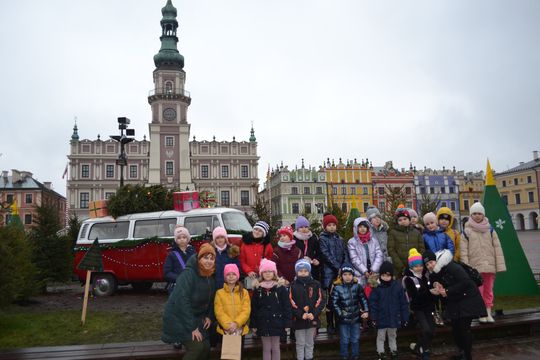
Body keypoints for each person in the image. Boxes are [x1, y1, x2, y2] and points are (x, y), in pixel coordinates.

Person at [423, 249, 487, 360]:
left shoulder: (452, 266)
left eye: (431, 262)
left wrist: (447, 291)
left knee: (463, 329)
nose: (429, 266)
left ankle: (467, 356)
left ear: (436, 261)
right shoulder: (436, 272)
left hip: (469, 299)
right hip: (457, 301)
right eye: (427, 264)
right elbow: (439, 284)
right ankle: (462, 352)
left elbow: (466, 282)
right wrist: (437, 288)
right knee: (456, 329)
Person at [162, 243, 216, 360]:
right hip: (179, 319)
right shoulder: (188, 274)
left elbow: (211, 301)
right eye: (205, 258)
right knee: (197, 347)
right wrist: (193, 328)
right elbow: (181, 302)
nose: (209, 261)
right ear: (199, 258)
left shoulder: (210, 278)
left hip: (195, 318)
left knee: (206, 347)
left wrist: (209, 316)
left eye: (212, 258)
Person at [461, 202, 506, 323]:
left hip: (489, 266)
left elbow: (497, 248)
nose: (477, 216)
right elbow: (463, 251)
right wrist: (466, 267)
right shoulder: (467, 231)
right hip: (475, 267)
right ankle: (481, 313)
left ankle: (488, 312)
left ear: (483, 214)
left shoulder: (490, 230)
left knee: (489, 290)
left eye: (479, 213)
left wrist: (500, 265)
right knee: (479, 291)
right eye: (474, 213)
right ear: (471, 215)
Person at [251, 259, 291, 360]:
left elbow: (286, 307)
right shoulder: (258, 289)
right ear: (261, 273)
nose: (268, 274)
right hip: (263, 322)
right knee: (266, 348)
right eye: (265, 271)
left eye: (270, 271)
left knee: (276, 347)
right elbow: (254, 309)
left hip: (277, 322)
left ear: (274, 273)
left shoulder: (280, 288)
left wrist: (287, 323)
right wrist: (254, 324)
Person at [369, 261, 410, 360]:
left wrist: (405, 317)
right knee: (381, 336)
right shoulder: (376, 288)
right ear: (380, 275)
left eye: (388, 276)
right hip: (381, 317)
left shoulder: (397, 286)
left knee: (392, 335)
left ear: (391, 276)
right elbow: (373, 304)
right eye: (383, 275)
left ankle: (393, 350)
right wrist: (373, 318)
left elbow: (403, 303)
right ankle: (381, 352)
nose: (385, 278)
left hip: (394, 317)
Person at [289, 259, 326, 360]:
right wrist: (301, 314)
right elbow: (291, 302)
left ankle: (309, 358)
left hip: (312, 319)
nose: (303, 273)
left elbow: (321, 300)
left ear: (309, 271)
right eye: (300, 271)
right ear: (297, 272)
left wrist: (313, 313)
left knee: (310, 343)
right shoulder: (293, 286)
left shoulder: (316, 284)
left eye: (305, 271)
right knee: (300, 343)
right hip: (299, 321)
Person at [403, 249, 436, 360]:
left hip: (428, 307)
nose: (419, 268)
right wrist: (429, 292)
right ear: (411, 267)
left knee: (432, 331)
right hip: (418, 308)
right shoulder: (409, 279)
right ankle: (423, 349)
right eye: (416, 266)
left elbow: (431, 291)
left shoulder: (426, 276)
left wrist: (434, 293)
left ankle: (418, 346)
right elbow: (414, 296)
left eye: (421, 265)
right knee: (426, 330)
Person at [331, 264, 369, 360]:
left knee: (355, 338)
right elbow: (334, 304)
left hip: (355, 319)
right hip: (343, 320)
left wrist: (366, 310)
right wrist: (340, 314)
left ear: (353, 275)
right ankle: (344, 355)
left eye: (349, 274)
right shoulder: (337, 288)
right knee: (344, 339)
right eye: (345, 274)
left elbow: (363, 299)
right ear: (341, 276)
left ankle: (355, 355)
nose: (347, 277)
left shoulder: (357, 287)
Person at [319, 213, 349, 335]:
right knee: (330, 301)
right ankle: (330, 324)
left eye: (333, 225)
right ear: (325, 226)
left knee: (339, 300)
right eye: (329, 225)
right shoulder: (322, 239)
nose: (331, 227)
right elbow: (325, 254)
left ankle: (339, 323)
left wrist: (344, 266)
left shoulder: (340, 239)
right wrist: (337, 267)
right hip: (329, 273)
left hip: (340, 273)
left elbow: (344, 253)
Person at [214, 263, 250, 357]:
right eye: (228, 274)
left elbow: (246, 310)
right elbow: (219, 311)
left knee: (238, 355)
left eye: (233, 274)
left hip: (239, 330)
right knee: (228, 355)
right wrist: (228, 325)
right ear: (225, 277)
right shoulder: (219, 293)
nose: (231, 277)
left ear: (237, 276)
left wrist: (237, 323)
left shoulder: (244, 292)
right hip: (225, 330)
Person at [387, 208, 425, 278]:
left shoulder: (416, 232)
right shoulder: (393, 233)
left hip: (415, 267)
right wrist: (401, 267)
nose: (403, 221)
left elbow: (422, 248)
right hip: (399, 269)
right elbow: (391, 250)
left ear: (409, 220)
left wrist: (417, 263)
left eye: (405, 219)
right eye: (400, 220)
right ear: (397, 222)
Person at [348, 217, 383, 287]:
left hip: (373, 272)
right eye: (360, 227)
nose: (362, 228)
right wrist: (364, 271)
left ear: (368, 228)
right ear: (356, 228)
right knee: (361, 292)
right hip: (359, 273)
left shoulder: (373, 241)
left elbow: (379, 255)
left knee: (374, 291)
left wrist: (374, 269)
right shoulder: (352, 242)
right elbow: (354, 258)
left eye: (364, 226)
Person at [163, 226, 196, 294]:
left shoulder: (193, 253)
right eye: (179, 238)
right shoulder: (172, 255)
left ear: (188, 239)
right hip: (177, 286)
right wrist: (178, 278)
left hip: (192, 285)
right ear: (176, 240)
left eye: (184, 237)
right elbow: (167, 273)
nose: (182, 239)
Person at [240, 220, 274, 286]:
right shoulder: (245, 244)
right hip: (248, 276)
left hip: (262, 276)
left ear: (263, 234)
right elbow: (242, 260)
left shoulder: (267, 246)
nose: (257, 232)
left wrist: (263, 270)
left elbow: (269, 261)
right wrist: (248, 271)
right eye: (256, 229)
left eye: (260, 231)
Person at [293, 216, 321, 281]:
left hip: (312, 269)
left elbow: (318, 252)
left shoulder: (313, 238)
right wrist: (302, 258)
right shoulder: (293, 239)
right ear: (297, 228)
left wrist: (317, 260)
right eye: (301, 227)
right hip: (299, 268)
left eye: (306, 227)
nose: (304, 229)